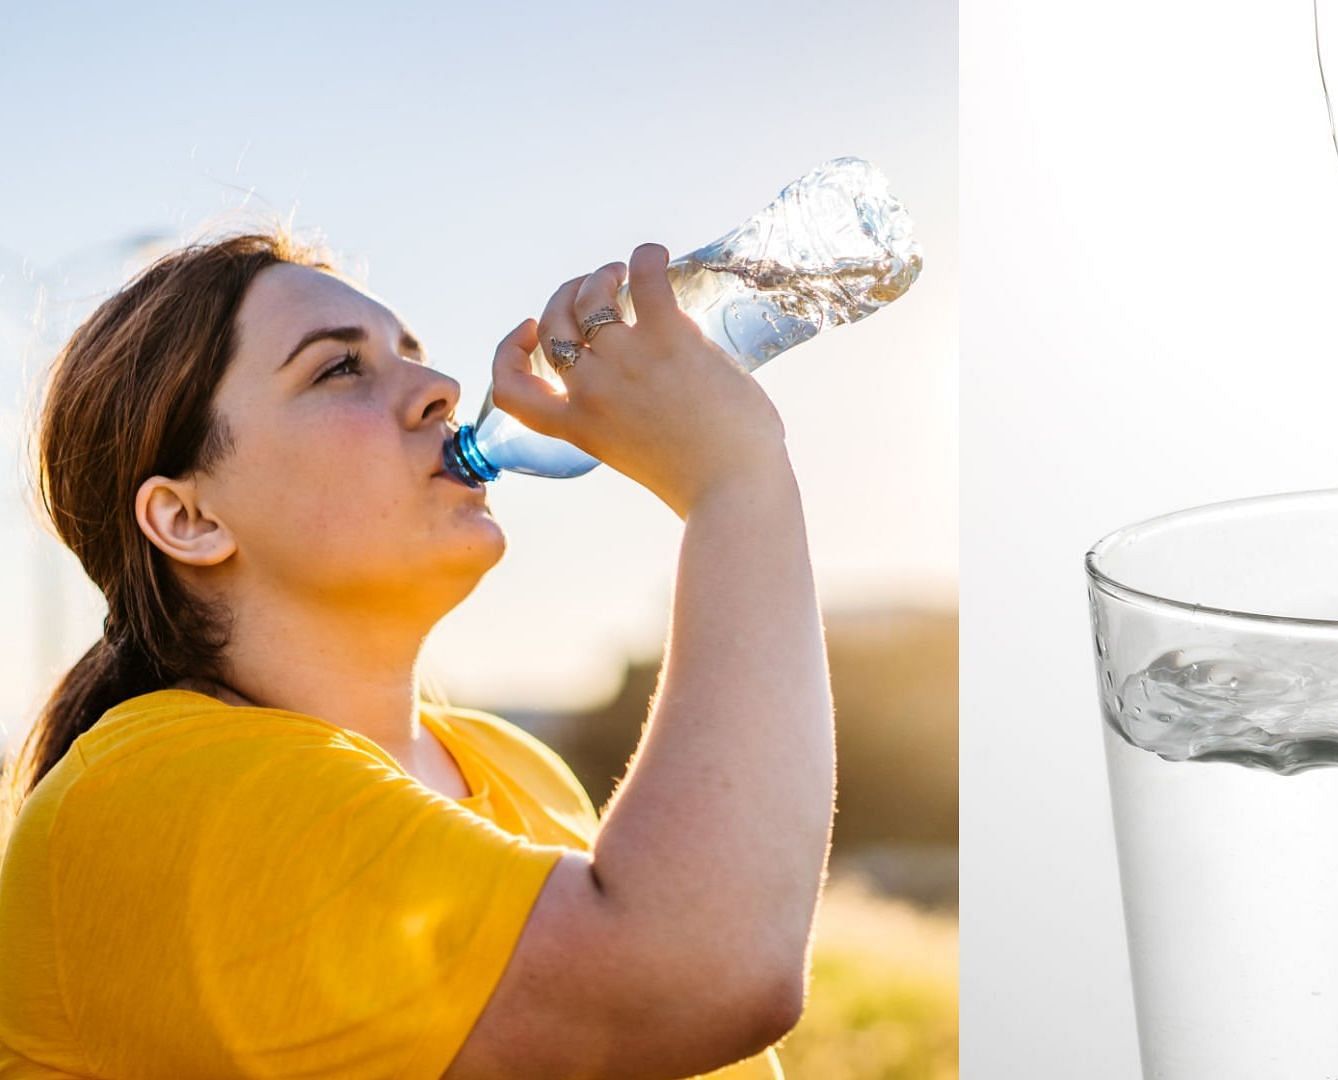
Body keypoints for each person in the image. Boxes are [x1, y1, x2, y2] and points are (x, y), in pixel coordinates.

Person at [0, 222, 835, 1079]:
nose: (441, 389)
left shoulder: (513, 765)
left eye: (415, 354)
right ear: (191, 519)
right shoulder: (152, 795)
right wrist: (737, 482)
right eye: (339, 367)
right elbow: (701, 973)